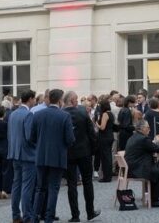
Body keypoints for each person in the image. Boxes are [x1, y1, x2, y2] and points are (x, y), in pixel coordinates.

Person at [29, 88, 76, 223]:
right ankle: (49, 217)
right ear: (60, 100)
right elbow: (70, 139)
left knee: (40, 188)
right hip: (57, 157)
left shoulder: (38, 115)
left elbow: (32, 137)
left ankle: (35, 216)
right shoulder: (64, 116)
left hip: (41, 156)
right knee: (53, 188)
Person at [123, 119, 159, 208]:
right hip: (137, 169)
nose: (150, 129)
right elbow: (158, 148)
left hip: (132, 167)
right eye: (148, 127)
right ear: (141, 129)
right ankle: (155, 199)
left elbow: (151, 147)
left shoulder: (134, 136)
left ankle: (156, 196)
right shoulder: (143, 139)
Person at [63, 90, 98, 222]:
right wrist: (93, 150)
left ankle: (75, 215)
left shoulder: (62, 114)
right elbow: (92, 133)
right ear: (72, 100)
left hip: (68, 153)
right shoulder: (83, 113)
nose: (77, 102)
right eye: (76, 100)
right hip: (84, 152)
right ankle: (90, 212)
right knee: (87, 182)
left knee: (71, 184)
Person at [8, 89, 37, 223]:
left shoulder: (13, 114)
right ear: (30, 99)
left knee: (16, 185)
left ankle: (15, 215)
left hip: (15, 153)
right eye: (34, 99)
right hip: (27, 155)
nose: (35, 101)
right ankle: (27, 216)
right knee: (27, 187)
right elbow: (29, 136)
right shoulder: (28, 114)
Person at [95, 94, 114, 183]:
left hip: (104, 137)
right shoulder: (111, 114)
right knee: (108, 156)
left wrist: (96, 124)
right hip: (110, 136)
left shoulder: (105, 114)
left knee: (105, 157)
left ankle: (106, 177)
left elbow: (102, 127)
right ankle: (108, 175)